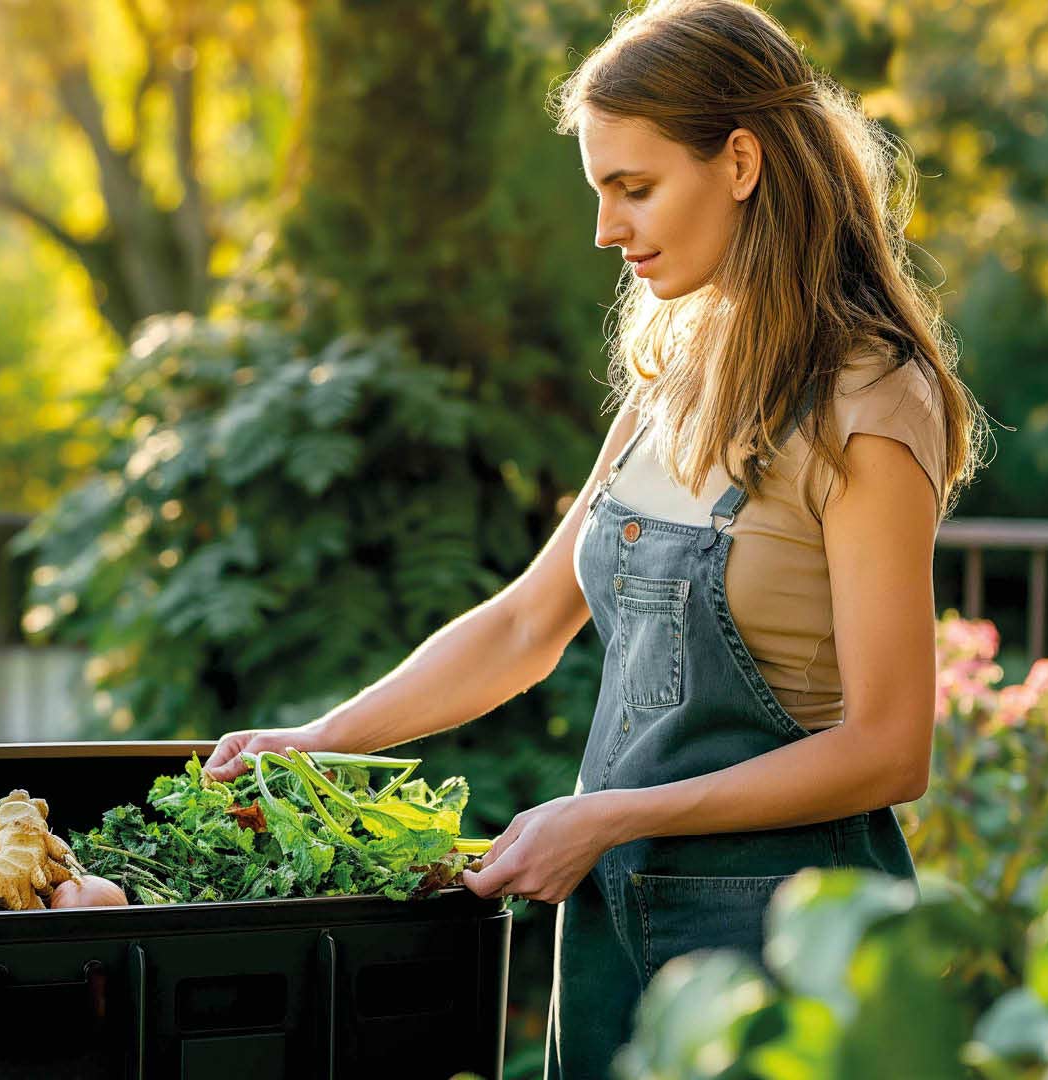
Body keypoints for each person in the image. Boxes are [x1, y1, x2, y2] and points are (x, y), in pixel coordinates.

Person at [204, 0, 986, 1074]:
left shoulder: (868, 400)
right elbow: (528, 623)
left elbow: (890, 748)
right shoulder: (672, 383)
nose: (607, 230)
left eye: (635, 187)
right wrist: (321, 740)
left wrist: (610, 815)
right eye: (600, 192)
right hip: (616, 931)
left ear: (743, 162)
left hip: (791, 949)